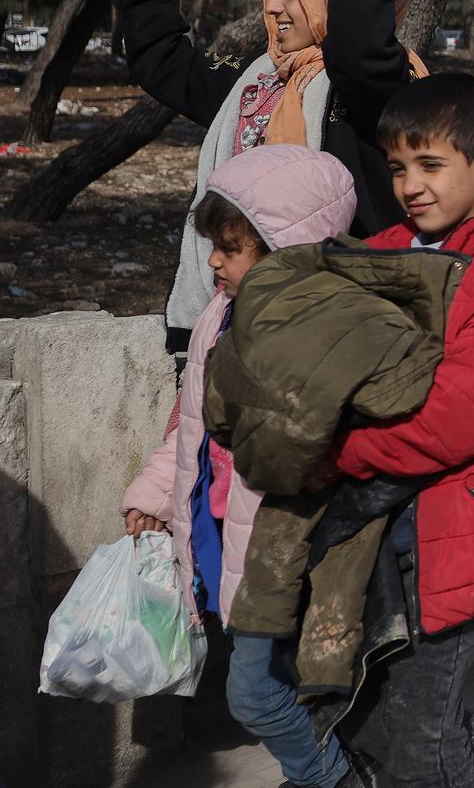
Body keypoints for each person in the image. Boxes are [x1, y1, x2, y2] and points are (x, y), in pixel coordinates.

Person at [330, 73, 474, 787]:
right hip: (373, 534)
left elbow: (456, 419)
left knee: (422, 748)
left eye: (430, 165)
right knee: (370, 706)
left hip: (456, 537)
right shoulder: (378, 252)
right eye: (398, 167)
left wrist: (335, 446)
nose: (410, 186)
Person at [120, 145, 362, 788]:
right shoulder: (217, 319)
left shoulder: (321, 335)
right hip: (227, 538)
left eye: (230, 248)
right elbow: (190, 427)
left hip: (284, 550)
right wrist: (155, 494)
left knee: (255, 696)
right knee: (284, 682)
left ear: (286, 250)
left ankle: (328, 777)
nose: (214, 262)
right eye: (214, 247)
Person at [122, 0, 430, 351]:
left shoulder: (380, 87)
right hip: (238, 324)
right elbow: (164, 64)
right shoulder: (260, 82)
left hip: (335, 333)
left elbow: (358, 49)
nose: (271, 6)